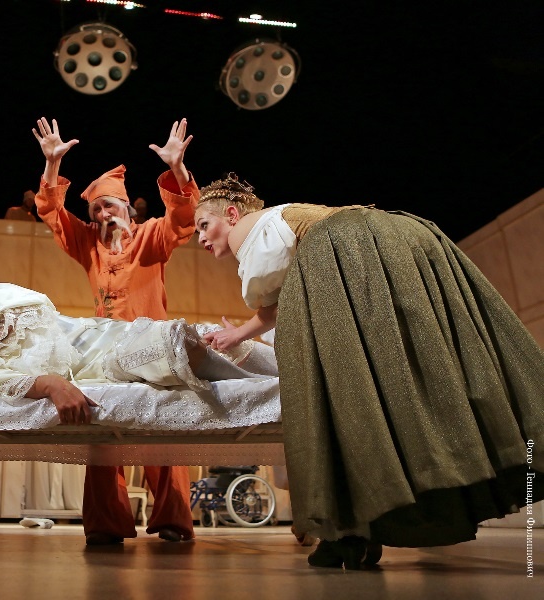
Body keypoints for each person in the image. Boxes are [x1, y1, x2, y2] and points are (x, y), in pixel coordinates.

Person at [194, 173, 544, 569]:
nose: (202, 238)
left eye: (204, 225)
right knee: (405, 385)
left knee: (340, 391)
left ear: (232, 214)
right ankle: (375, 523)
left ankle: (351, 529)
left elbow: (274, 293)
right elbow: (284, 297)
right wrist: (239, 333)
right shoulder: (289, 228)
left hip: (352, 249)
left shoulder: (247, 230)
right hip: (400, 241)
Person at [31, 116, 198, 545]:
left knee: (162, 434)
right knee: (104, 437)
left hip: (153, 349)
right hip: (104, 354)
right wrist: (52, 164)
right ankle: (107, 525)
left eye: (110, 206)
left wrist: (177, 168)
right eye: (96, 210)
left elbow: (183, 217)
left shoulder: (151, 237)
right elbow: (51, 213)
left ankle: (173, 520)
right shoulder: (88, 242)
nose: (104, 215)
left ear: (128, 208)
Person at [0, 284, 273, 422]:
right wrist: (50, 384)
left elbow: (25, 300)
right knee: (177, 345)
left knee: (215, 337)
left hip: (101, 332)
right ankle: (282, 388)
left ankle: (292, 370)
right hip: (101, 364)